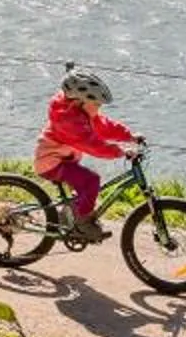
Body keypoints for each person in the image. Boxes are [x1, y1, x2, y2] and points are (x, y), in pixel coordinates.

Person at [34, 68, 141, 239]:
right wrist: (120, 151)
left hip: (65, 160)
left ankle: (67, 215)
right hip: (51, 162)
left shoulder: (81, 114)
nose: (99, 109)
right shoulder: (70, 122)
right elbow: (93, 145)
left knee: (83, 187)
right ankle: (82, 223)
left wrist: (129, 136)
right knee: (91, 181)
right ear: (79, 102)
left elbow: (103, 126)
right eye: (97, 104)